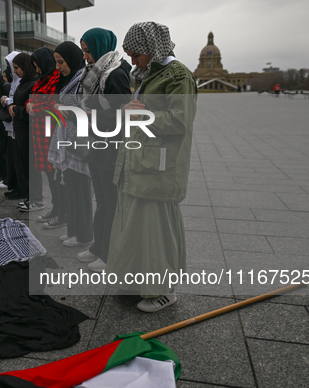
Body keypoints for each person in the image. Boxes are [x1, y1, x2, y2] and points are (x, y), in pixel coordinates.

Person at [106, 21, 197, 312]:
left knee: (156, 229)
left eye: (135, 54)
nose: (132, 61)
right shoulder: (150, 73)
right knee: (137, 228)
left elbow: (179, 121)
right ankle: (138, 281)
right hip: (141, 162)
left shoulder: (178, 75)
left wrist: (140, 116)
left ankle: (163, 291)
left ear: (150, 48)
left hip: (159, 167)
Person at [76, 28, 132, 272]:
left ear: (100, 47)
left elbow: (123, 115)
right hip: (97, 146)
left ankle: (109, 254)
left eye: (88, 51)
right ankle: (99, 246)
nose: (86, 57)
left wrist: (92, 116)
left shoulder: (115, 73)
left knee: (111, 203)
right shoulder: (95, 73)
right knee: (102, 200)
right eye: (84, 51)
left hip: (111, 148)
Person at [46, 41, 93, 242]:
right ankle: (74, 230)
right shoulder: (68, 79)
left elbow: (89, 110)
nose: (58, 67)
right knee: (71, 189)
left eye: (61, 62)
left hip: (79, 140)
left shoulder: (83, 79)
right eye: (56, 63)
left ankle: (84, 235)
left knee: (81, 191)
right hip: (67, 138)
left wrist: (66, 110)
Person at [18, 47, 61, 213]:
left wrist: (33, 106)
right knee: (49, 175)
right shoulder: (42, 79)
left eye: (38, 65)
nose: (37, 69)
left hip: (50, 132)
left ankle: (58, 210)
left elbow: (53, 104)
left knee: (55, 175)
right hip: (40, 133)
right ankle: (55, 210)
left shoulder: (55, 79)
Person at [8, 53, 38, 200]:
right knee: (20, 162)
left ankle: (30, 194)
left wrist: (15, 109)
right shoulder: (24, 82)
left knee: (28, 164)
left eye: (17, 68)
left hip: (27, 129)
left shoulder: (32, 83)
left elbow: (29, 109)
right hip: (19, 127)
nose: (15, 71)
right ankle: (23, 190)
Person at [1, 52, 22, 199]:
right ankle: (14, 185)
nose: (13, 71)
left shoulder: (23, 81)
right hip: (12, 126)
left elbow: (19, 102)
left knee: (20, 161)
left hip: (19, 126)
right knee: (13, 158)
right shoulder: (14, 82)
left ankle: (21, 188)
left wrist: (7, 101)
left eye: (15, 67)